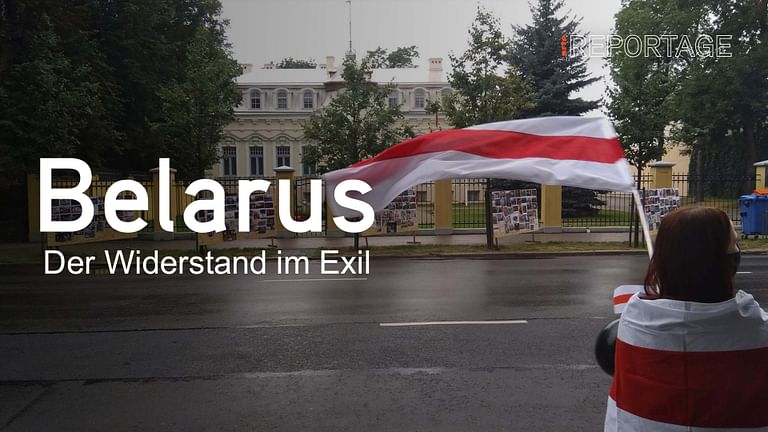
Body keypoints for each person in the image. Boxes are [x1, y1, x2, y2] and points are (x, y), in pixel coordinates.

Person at [605, 206, 768, 431]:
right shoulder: (756, 328)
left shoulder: (634, 316)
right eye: (734, 243)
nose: (738, 249)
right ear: (721, 261)